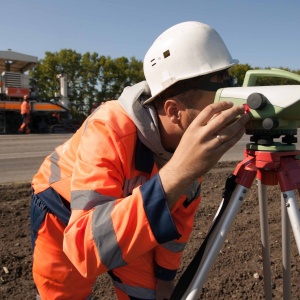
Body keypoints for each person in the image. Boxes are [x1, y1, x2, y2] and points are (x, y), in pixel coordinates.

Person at [30, 21, 250, 300]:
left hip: (134, 209)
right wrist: (178, 173)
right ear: (174, 111)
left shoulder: (187, 143)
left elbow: (177, 224)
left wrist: (165, 278)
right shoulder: (109, 127)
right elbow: (84, 249)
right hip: (60, 209)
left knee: (146, 293)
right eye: (219, 96)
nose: (227, 108)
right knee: (63, 294)